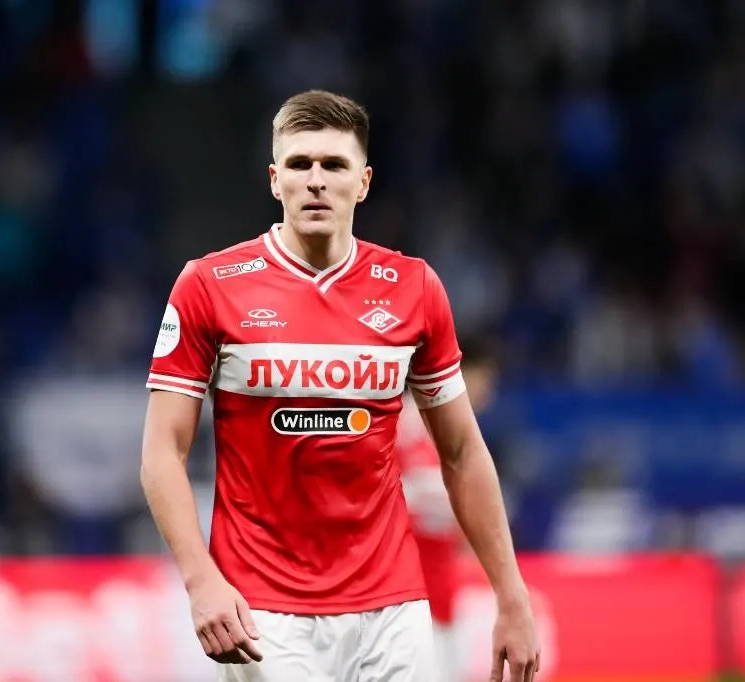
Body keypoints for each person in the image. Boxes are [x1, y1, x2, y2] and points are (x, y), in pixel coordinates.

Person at [140, 89, 539, 682]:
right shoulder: (209, 286)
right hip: (264, 610)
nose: (316, 181)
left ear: (364, 181)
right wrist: (202, 580)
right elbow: (161, 453)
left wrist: (511, 595)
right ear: (275, 180)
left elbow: (461, 451)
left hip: (395, 607)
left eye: (334, 165)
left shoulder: (414, 288)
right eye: (299, 164)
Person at [394, 336, 500, 682]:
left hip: (442, 591)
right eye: (485, 381)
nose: (488, 394)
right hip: (402, 595)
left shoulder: (459, 436)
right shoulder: (400, 423)